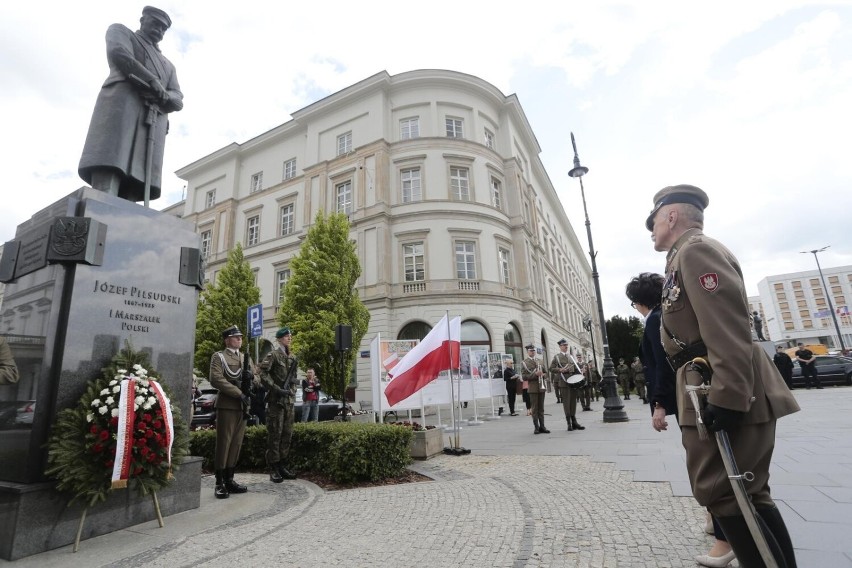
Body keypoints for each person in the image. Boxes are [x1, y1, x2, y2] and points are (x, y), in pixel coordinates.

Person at [647, 183, 800, 567]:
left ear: (671, 216)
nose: (651, 230)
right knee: (746, 494)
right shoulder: (685, 255)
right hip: (708, 380)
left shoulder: (696, 251)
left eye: (653, 221)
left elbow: (726, 328)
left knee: (726, 493)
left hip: (718, 381)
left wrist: (729, 396)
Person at [627, 272, 731, 566]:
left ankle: (726, 537)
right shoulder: (668, 314)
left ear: (637, 303)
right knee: (709, 458)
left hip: (690, 394)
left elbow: (661, 363)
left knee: (706, 463)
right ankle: (715, 519)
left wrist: (659, 404)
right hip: (700, 389)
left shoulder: (655, 320)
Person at [78, 6, 183, 202]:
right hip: (123, 105)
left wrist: (166, 97)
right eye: (156, 24)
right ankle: (99, 205)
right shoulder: (121, 32)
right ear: (143, 20)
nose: (159, 30)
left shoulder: (168, 65)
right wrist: (152, 81)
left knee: (138, 180)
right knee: (110, 162)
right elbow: (120, 53)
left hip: (153, 119)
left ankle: (126, 220)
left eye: (163, 28)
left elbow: (178, 96)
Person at [209, 325, 252, 499]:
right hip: (227, 405)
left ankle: (230, 479)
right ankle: (219, 483)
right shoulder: (219, 357)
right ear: (227, 340)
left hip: (243, 407)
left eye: (240, 337)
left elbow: (255, 376)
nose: (239, 340)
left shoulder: (244, 357)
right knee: (224, 443)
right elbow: (216, 379)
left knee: (236, 444)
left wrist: (252, 378)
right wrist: (239, 393)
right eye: (235, 337)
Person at [259, 327, 299, 482]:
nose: (289, 338)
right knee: (275, 434)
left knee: (287, 434)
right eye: (286, 336)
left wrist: (291, 391)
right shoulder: (273, 355)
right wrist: (276, 389)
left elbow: (294, 378)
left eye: (290, 335)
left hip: (288, 401)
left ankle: (282, 464)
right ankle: (273, 467)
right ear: (280, 339)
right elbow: (262, 373)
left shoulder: (292, 357)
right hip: (276, 401)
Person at [550, 339, 584, 431]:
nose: (566, 346)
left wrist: (580, 372)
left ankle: (574, 422)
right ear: (560, 346)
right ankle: (569, 423)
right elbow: (551, 368)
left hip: (573, 381)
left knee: (573, 402)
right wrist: (560, 370)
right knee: (567, 403)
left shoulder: (571, 357)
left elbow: (575, 368)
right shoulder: (557, 357)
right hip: (564, 382)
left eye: (566, 345)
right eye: (564, 345)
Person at [521, 344, 549, 434]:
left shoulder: (540, 361)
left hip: (541, 387)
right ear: (527, 352)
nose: (533, 352)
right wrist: (535, 374)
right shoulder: (525, 363)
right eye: (531, 351)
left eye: (534, 350)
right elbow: (524, 377)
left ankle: (542, 426)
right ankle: (536, 427)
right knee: (534, 408)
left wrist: (544, 375)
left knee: (541, 408)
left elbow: (546, 372)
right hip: (533, 388)